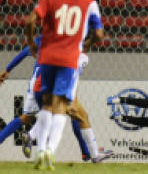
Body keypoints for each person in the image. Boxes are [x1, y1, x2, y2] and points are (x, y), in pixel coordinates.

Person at [25, 0, 104, 170]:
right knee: (62, 106)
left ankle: (41, 148)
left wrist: (31, 42)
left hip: (47, 57)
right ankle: (51, 149)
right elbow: (100, 34)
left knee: (46, 105)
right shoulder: (89, 3)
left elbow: (30, 20)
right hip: (69, 60)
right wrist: (87, 44)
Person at [0, 35, 113, 163]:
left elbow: (23, 53)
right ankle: (87, 153)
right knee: (70, 112)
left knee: (30, 117)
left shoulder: (43, 38)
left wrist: (7, 70)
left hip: (37, 81)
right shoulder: (74, 50)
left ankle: (87, 152)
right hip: (53, 82)